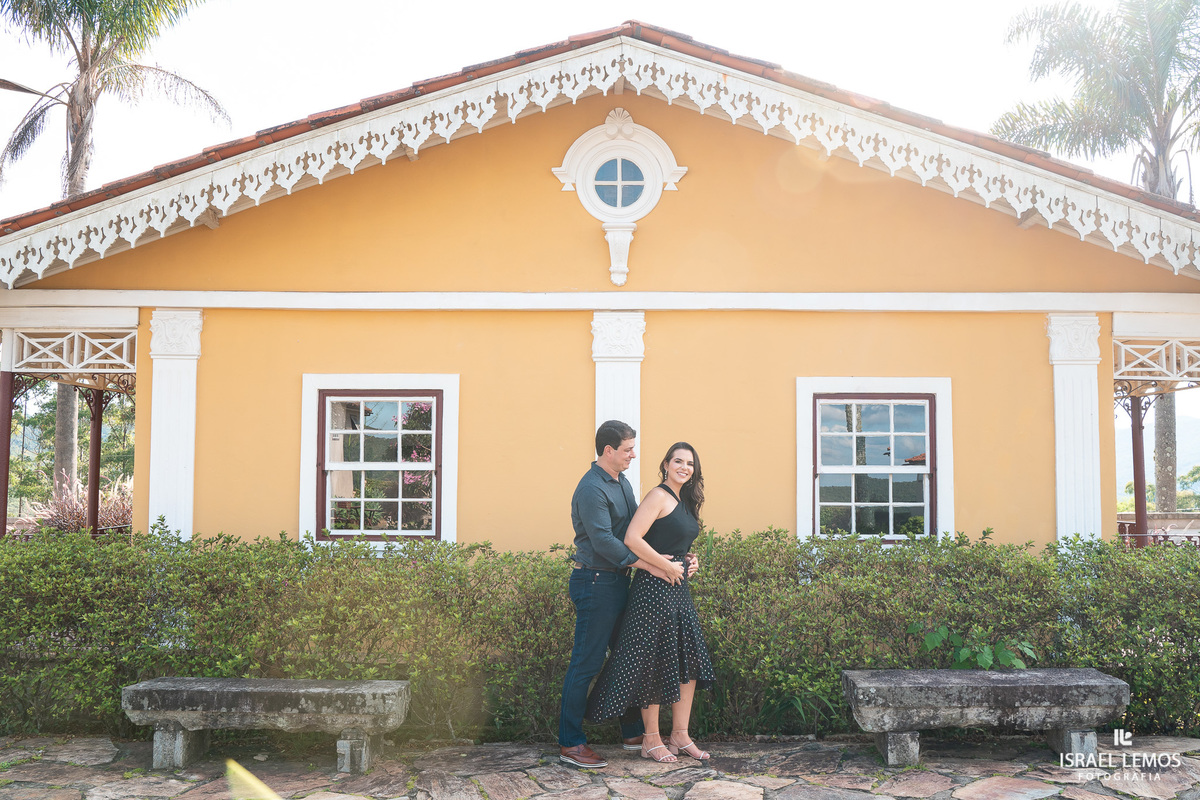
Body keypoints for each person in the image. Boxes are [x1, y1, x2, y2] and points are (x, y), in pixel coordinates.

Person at [558, 421, 686, 769]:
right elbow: (603, 541)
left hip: (617, 582)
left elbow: (636, 532)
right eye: (628, 449)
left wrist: (671, 556)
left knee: (631, 654)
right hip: (595, 583)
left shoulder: (622, 482)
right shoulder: (591, 488)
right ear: (608, 450)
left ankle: (633, 733)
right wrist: (650, 566)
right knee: (586, 663)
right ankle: (571, 743)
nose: (634, 454)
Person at [585, 442, 715, 763]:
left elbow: (672, 541)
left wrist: (690, 560)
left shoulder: (685, 501)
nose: (684, 467)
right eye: (678, 461)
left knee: (688, 661)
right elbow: (632, 538)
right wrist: (664, 566)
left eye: (690, 463)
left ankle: (680, 736)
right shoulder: (658, 496)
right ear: (666, 464)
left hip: (678, 589)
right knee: (654, 663)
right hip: (652, 590)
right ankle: (651, 739)